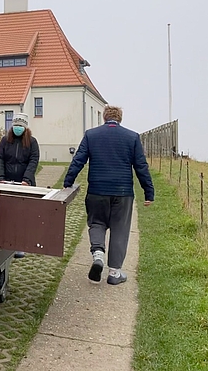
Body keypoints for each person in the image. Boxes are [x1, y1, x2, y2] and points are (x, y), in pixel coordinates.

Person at [63, 106, 154, 285]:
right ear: (120, 118)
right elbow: (141, 166)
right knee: (120, 229)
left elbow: (78, 159)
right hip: (123, 192)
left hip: (97, 190)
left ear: (104, 118)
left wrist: (68, 181)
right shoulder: (132, 137)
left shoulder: (91, 135)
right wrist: (148, 191)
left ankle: (98, 255)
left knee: (96, 223)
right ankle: (114, 273)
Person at [0, 112, 39, 258]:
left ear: (25, 128)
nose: (17, 128)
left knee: (23, 215)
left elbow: (33, 161)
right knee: (7, 214)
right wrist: (0, 178)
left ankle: (20, 246)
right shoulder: (5, 141)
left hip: (24, 183)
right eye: (15, 125)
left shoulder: (32, 142)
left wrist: (27, 179)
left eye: (20, 126)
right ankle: (6, 243)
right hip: (6, 182)